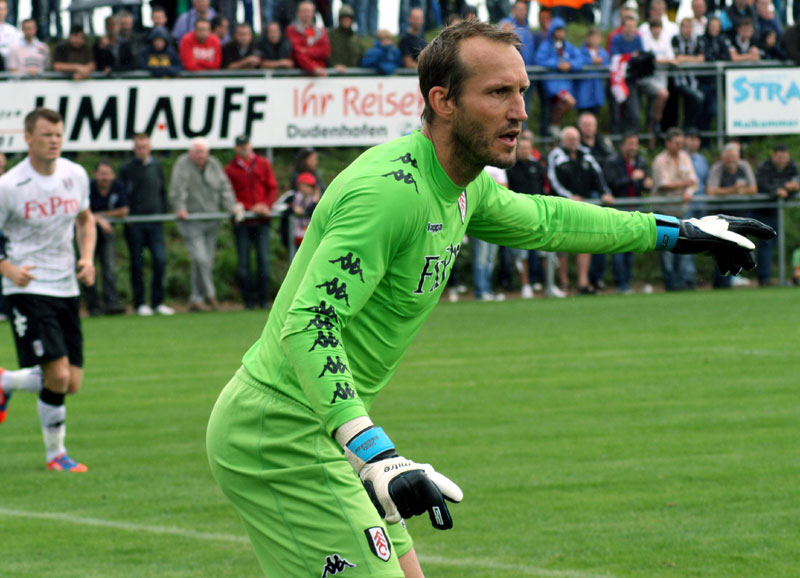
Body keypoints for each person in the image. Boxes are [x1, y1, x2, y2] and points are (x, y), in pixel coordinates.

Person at [207, 19, 773, 578]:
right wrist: (373, 451)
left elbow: (548, 219)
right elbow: (309, 323)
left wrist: (677, 232)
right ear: (443, 101)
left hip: (322, 431)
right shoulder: (388, 194)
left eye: (522, 91)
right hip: (281, 436)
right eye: (499, 92)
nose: (521, 111)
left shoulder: (463, 185)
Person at [0, 107, 96, 472]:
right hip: (27, 286)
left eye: (58, 134)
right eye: (46, 135)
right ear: (28, 138)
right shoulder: (9, 185)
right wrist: (7, 268)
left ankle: (6, 381)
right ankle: (56, 455)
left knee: (71, 382)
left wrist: (87, 258)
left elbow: (86, 220)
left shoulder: (75, 175)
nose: (54, 141)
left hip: (67, 286)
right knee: (56, 375)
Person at [169, 138, 237, 312]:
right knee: (201, 258)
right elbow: (178, 188)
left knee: (205, 261)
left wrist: (231, 207)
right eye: (197, 152)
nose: (200, 156)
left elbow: (224, 187)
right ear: (190, 153)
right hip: (191, 220)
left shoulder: (214, 164)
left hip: (212, 220)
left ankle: (195, 298)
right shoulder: (182, 164)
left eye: (203, 152)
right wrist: (180, 208)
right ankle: (210, 294)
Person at [548, 126, 612, 294]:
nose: (574, 142)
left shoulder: (585, 153)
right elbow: (553, 180)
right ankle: (564, 283)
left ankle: (583, 283)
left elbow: (597, 173)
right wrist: (568, 196)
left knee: (584, 242)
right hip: (561, 206)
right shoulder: (556, 155)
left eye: (576, 139)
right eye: (570, 139)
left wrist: (604, 192)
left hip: (582, 206)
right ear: (563, 141)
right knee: (561, 244)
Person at [118, 133, 174, 316]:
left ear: (149, 147)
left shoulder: (156, 166)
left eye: (144, 147)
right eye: (138, 147)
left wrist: (162, 212)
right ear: (134, 149)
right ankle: (140, 303)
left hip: (155, 223)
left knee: (159, 260)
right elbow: (122, 194)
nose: (142, 150)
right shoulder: (126, 168)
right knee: (137, 263)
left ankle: (158, 302)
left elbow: (161, 191)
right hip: (135, 224)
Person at [224, 135, 278, 309]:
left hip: (262, 220)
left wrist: (266, 205)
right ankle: (248, 301)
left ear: (250, 145)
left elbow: (272, 187)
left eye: (245, 144)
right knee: (243, 264)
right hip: (242, 221)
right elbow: (229, 195)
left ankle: (263, 301)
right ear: (236, 148)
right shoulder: (230, 169)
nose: (243, 148)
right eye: (240, 146)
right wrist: (251, 207)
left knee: (263, 260)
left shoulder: (263, 163)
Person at [603, 132, 653, 293]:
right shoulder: (612, 162)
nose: (633, 147)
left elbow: (646, 183)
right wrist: (631, 178)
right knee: (619, 248)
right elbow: (611, 184)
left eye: (635, 144)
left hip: (635, 209)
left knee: (632, 248)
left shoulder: (641, 161)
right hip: (618, 210)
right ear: (623, 145)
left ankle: (628, 282)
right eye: (630, 143)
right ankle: (621, 284)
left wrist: (647, 183)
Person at [651, 127, 698, 290]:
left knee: (687, 245)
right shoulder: (660, 160)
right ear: (668, 143)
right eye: (676, 143)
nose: (679, 146)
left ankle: (685, 280)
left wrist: (689, 191)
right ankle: (671, 283)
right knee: (667, 249)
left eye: (681, 143)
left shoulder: (685, 157)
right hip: (664, 211)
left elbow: (694, 181)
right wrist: (685, 185)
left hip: (683, 209)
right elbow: (663, 185)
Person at [706, 142, 757, 288]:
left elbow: (753, 189)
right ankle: (721, 282)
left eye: (733, 159)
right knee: (721, 248)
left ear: (738, 158)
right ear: (723, 158)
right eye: (728, 159)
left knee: (737, 247)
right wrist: (733, 190)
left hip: (740, 215)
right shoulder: (717, 168)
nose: (730, 162)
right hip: (720, 217)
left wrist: (731, 192)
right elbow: (711, 191)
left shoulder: (744, 166)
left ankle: (733, 278)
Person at [84, 160, 128, 316]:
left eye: (107, 174)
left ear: (113, 175)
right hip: (87, 233)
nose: (104, 177)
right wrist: (98, 219)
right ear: (95, 174)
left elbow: (123, 211)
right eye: (102, 173)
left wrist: (100, 216)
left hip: (107, 233)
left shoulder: (117, 186)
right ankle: (93, 306)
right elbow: (83, 211)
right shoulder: (88, 187)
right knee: (88, 266)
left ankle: (111, 304)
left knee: (109, 268)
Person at [754, 144, 799, 287]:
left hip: (776, 211)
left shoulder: (792, 166)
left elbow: (795, 181)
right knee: (765, 244)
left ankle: (774, 276)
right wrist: (777, 191)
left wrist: (792, 187)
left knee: (774, 244)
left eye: (785, 157)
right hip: (761, 211)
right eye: (779, 157)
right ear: (773, 156)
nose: (782, 161)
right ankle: (764, 278)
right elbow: (762, 184)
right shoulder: (764, 167)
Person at [535, 17, 582, 138]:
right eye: (558, 30)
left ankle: (554, 127)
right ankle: (553, 126)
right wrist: (557, 64)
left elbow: (579, 59)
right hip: (551, 85)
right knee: (567, 102)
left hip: (565, 84)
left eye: (562, 30)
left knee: (562, 105)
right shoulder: (546, 45)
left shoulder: (568, 46)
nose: (560, 33)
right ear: (553, 31)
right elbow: (539, 60)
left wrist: (570, 64)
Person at [286, 1, 331, 76]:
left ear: (313, 13)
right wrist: (313, 68)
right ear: (298, 13)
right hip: (298, 76)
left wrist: (306, 51)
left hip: (320, 75)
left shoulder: (320, 32)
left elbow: (325, 52)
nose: (307, 14)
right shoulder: (291, 30)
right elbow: (297, 53)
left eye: (309, 11)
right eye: (304, 11)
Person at [575, 27, 609, 116]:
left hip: (597, 91)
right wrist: (591, 61)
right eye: (592, 37)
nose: (594, 40)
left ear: (601, 39)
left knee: (594, 118)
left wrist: (602, 62)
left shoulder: (603, 53)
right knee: (583, 116)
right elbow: (578, 63)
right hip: (583, 91)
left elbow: (608, 65)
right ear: (588, 38)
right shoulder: (580, 52)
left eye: (597, 37)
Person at [328, 3, 362, 72]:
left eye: (348, 18)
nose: (346, 20)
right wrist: (334, 65)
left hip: (352, 74)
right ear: (340, 19)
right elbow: (326, 53)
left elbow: (359, 56)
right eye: (343, 18)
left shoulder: (356, 37)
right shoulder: (331, 35)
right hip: (334, 73)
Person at [291, 171, 321, 247]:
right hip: (295, 236)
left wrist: (315, 199)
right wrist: (293, 209)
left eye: (309, 186)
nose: (306, 188)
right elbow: (280, 206)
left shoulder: (316, 199)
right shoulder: (293, 196)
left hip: (311, 237)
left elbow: (313, 211)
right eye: (304, 185)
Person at [0, 0, 21, 66]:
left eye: (3, 9)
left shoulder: (13, 31)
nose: (1, 12)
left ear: (7, 11)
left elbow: (16, 50)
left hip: (9, 66)